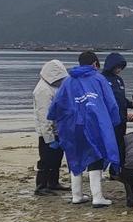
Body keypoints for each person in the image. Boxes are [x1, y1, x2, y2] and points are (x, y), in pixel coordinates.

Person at [48, 51, 122, 207]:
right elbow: (111, 103)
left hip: (72, 124)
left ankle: (76, 195)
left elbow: (56, 103)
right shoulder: (99, 79)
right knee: (96, 155)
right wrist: (113, 122)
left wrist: (53, 117)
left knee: (75, 155)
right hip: (95, 123)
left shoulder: (68, 81)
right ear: (95, 64)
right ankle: (97, 196)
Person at [34, 59, 70, 196]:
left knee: (56, 158)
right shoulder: (42, 90)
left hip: (57, 129)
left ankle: (53, 182)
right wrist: (49, 138)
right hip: (46, 133)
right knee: (45, 159)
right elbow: (44, 117)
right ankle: (41, 185)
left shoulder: (53, 87)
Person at [102, 52, 133, 179]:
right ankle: (101, 168)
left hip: (122, 119)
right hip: (110, 120)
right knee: (110, 145)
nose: (119, 70)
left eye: (121, 67)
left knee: (120, 145)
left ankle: (116, 170)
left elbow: (121, 99)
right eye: (117, 67)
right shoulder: (102, 79)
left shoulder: (119, 80)